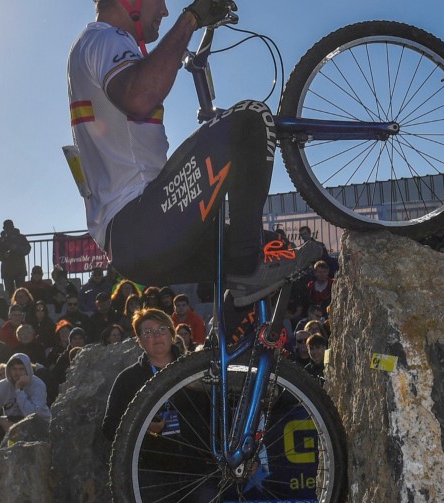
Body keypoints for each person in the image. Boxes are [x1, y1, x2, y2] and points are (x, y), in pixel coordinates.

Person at [68, 0, 318, 310]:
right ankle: (246, 267)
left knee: (274, 249)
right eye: (158, 1)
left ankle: (244, 351)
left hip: (138, 241)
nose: (164, 11)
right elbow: (139, 97)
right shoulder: (105, 38)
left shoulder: (96, 48)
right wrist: (191, 18)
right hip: (139, 222)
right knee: (250, 120)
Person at [102, 308, 225, 503]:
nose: (156, 336)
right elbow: (110, 426)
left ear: (172, 333)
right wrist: (142, 427)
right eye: (147, 332)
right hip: (153, 474)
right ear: (139, 341)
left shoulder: (197, 370)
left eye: (160, 329)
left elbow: (220, 414)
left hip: (199, 469)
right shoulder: (129, 378)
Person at [0, 353, 51, 445]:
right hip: (11, 422)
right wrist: (1, 421)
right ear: (9, 370)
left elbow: (33, 414)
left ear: (27, 369)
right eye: (14, 369)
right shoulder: (1, 386)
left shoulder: (37, 385)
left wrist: (19, 390)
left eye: (21, 369)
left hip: (39, 423)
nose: (17, 373)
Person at [0, 220, 31, 297]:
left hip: (19, 270)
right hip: (7, 271)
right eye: (7, 228)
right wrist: (4, 256)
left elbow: (27, 249)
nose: (9, 230)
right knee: (9, 295)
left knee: (21, 293)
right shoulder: (0, 240)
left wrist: (17, 248)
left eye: (10, 228)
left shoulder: (21, 237)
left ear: (13, 227)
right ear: (4, 229)